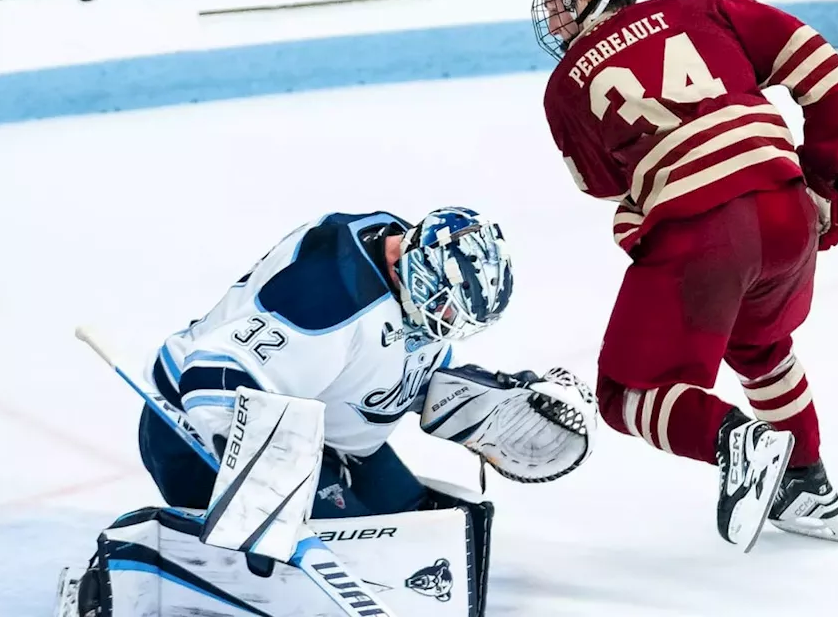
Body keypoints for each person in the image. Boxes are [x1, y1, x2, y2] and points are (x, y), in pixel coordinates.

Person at [531, 0, 838, 550]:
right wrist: (824, 181)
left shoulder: (567, 86)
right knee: (759, 343)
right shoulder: (709, 9)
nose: (551, 13)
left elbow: (607, 186)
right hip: (786, 210)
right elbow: (832, 82)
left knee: (626, 392)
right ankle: (808, 481)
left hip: (706, 231)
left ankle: (734, 439)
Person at [137, 207, 597, 519]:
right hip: (197, 434)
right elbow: (213, 373)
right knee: (357, 552)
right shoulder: (329, 296)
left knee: (423, 532)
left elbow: (375, 360)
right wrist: (257, 467)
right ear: (414, 271)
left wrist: (462, 398)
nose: (446, 326)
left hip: (318, 433)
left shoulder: (411, 265)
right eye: (445, 310)